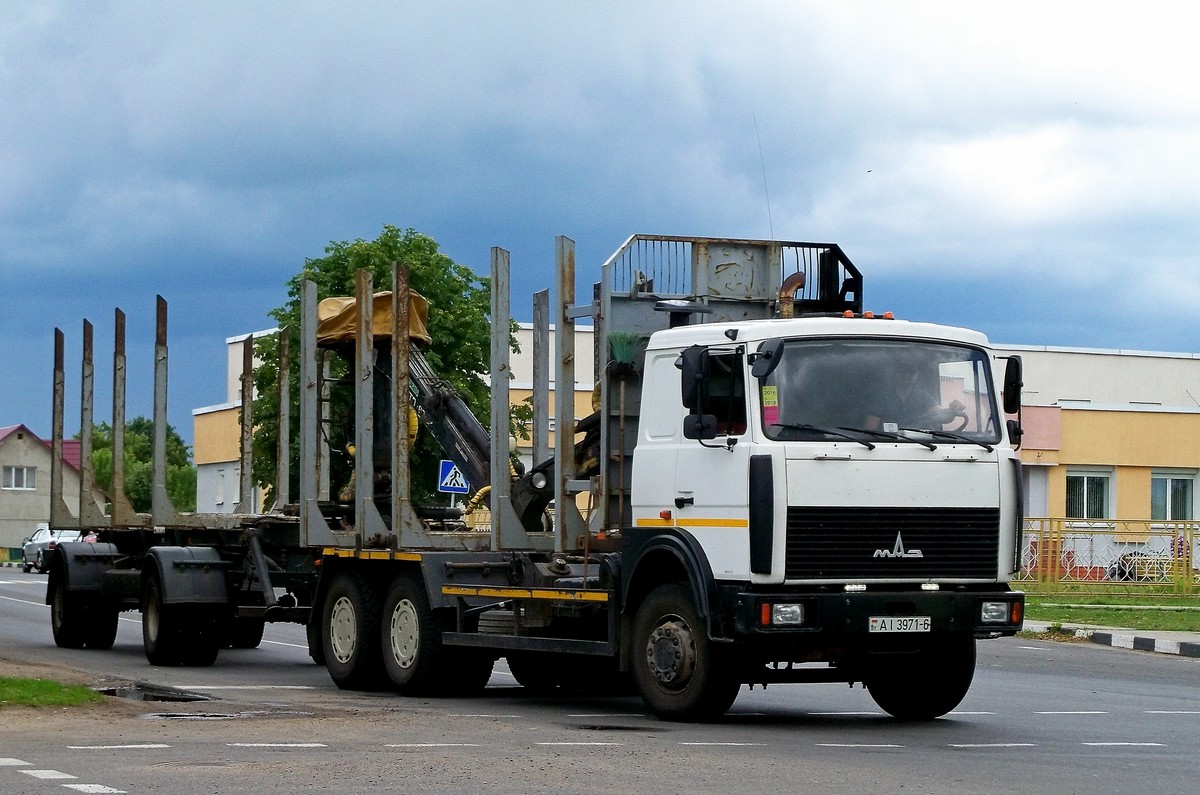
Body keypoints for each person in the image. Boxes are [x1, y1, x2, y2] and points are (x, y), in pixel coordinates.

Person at [864, 356, 965, 431]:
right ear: (895, 373)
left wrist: (952, 411)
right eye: (902, 371)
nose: (906, 375)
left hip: (920, 446)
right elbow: (870, 430)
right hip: (885, 446)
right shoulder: (881, 397)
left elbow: (940, 416)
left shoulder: (923, 397)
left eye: (911, 371)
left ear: (917, 375)